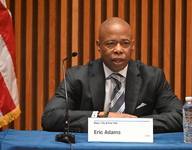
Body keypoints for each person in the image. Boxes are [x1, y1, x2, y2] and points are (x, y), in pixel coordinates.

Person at [42, 17, 183, 133]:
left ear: (133, 45)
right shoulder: (77, 77)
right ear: (99, 45)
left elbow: (180, 117)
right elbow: (50, 117)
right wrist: (103, 117)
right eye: (111, 43)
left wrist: (133, 124)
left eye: (125, 43)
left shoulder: (152, 77)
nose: (118, 50)